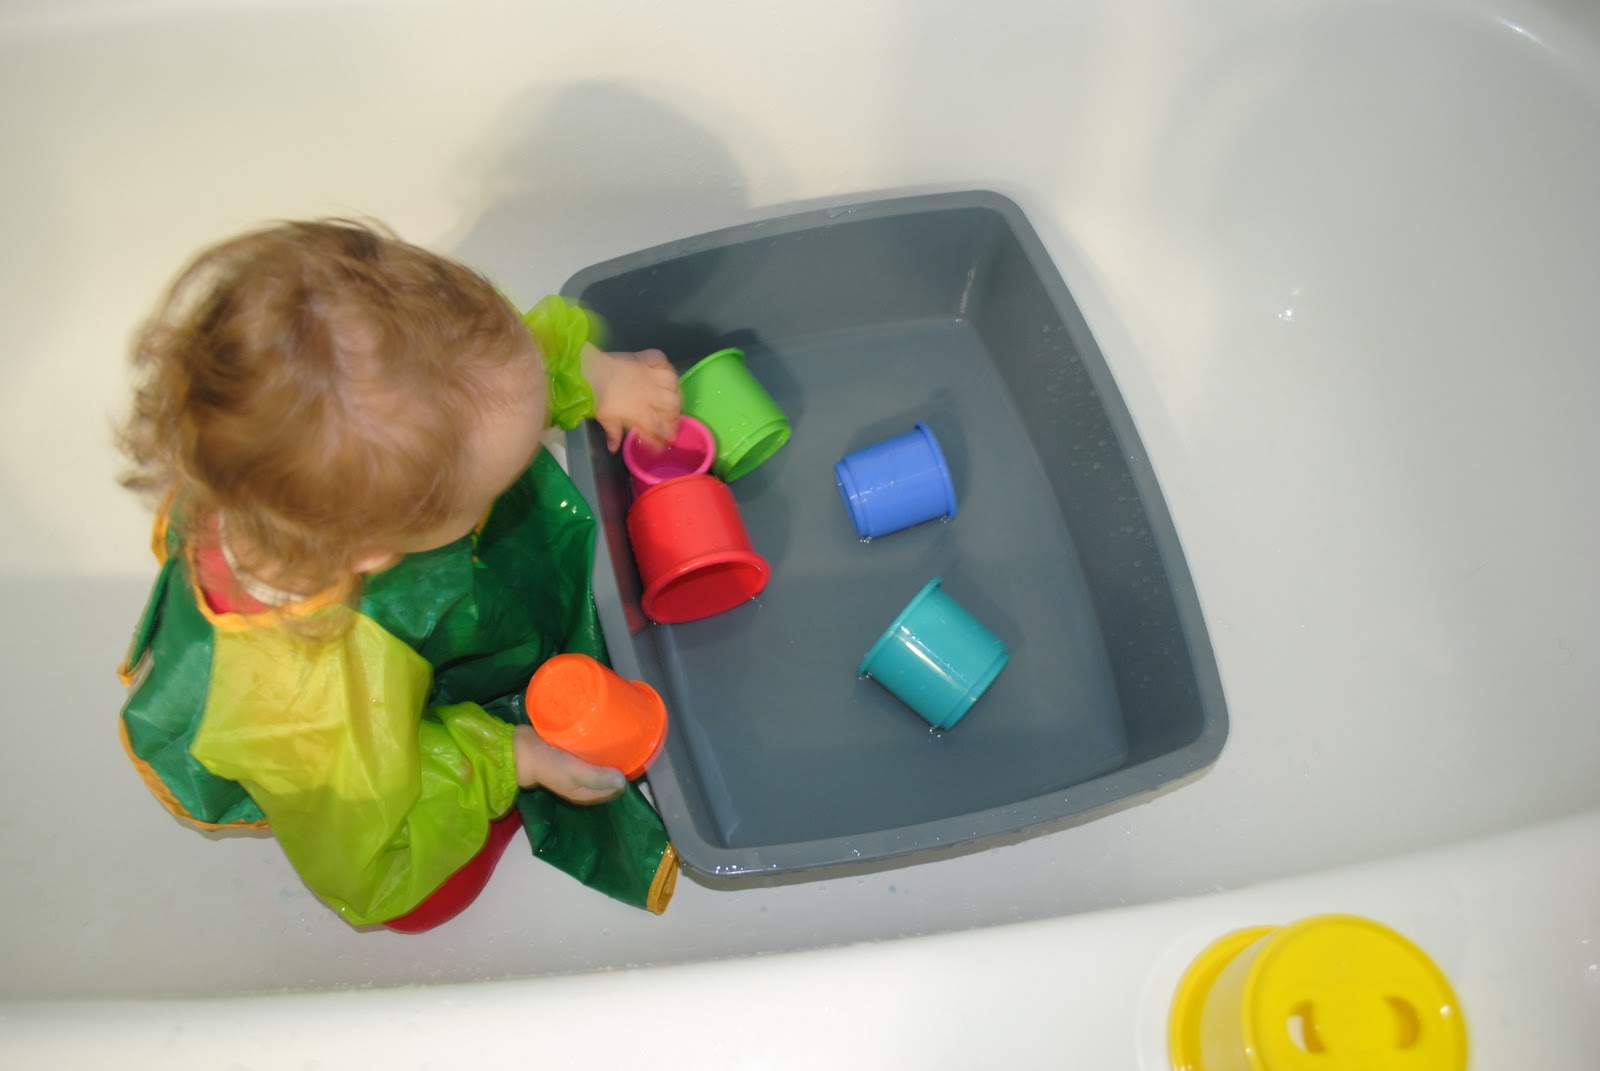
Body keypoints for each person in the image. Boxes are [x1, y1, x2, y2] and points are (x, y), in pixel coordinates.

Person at [115, 219, 682, 930]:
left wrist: (591, 374)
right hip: (343, 767)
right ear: (378, 552)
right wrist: (511, 758)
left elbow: (471, 373)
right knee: (424, 903)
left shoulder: (340, 401)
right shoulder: (305, 704)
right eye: (489, 489)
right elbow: (365, 863)